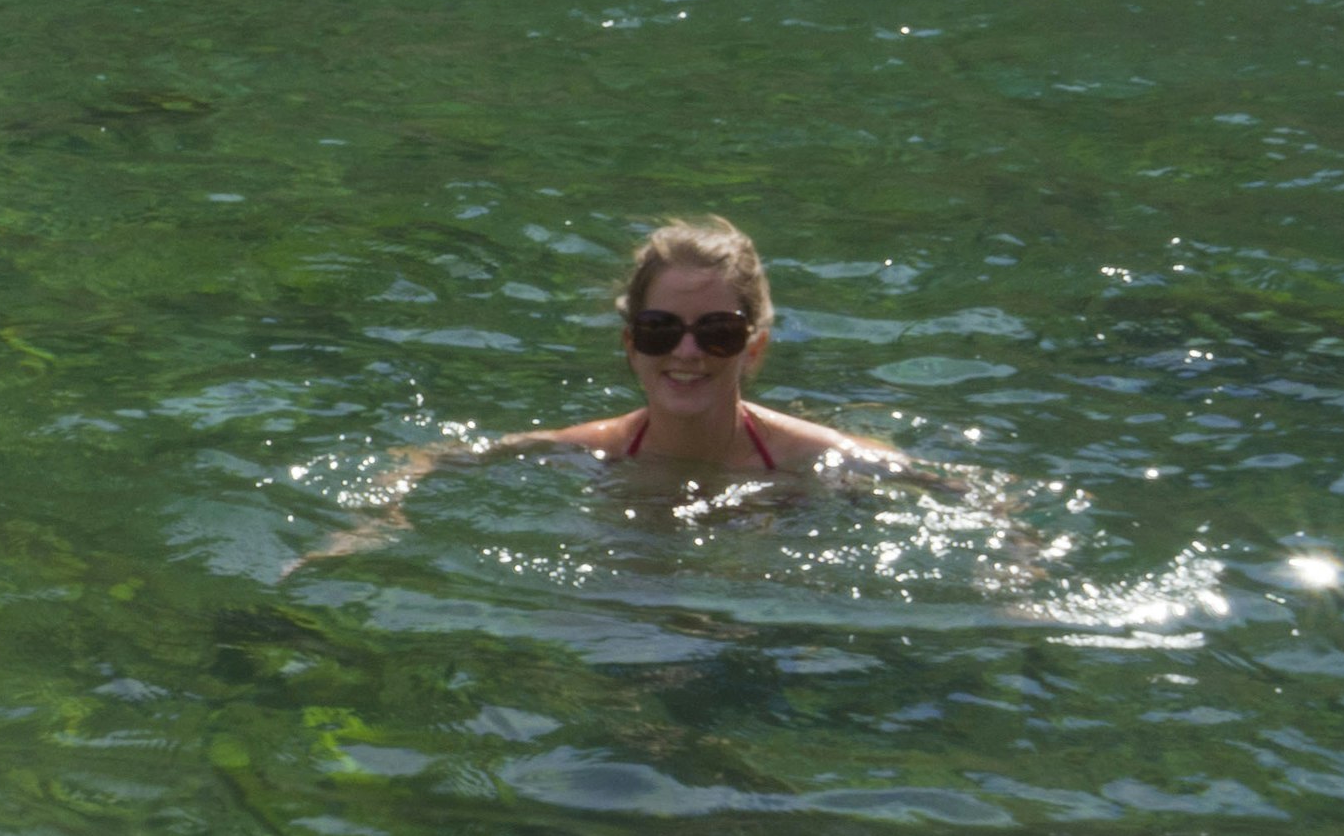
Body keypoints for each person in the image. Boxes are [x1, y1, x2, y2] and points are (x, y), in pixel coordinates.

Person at [293, 215, 911, 570]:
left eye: (717, 333)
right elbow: (425, 457)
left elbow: (977, 497)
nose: (687, 353)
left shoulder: (816, 456)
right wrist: (376, 520)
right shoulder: (594, 449)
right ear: (630, 344)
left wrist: (1016, 576)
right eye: (660, 330)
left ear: (754, 349)